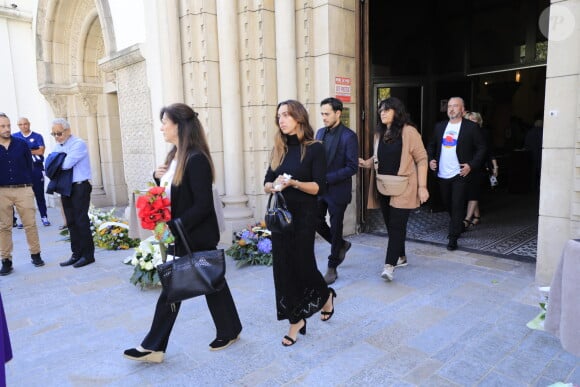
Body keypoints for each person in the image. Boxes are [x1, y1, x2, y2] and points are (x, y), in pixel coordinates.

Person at [124, 103, 242, 362]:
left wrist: (173, 227)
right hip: (180, 233)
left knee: (177, 286)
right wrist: (158, 180)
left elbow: (202, 204)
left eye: (165, 122)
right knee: (212, 281)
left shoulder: (196, 158)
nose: (162, 127)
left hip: (193, 233)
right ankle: (230, 329)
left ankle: (154, 346)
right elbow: (172, 195)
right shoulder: (173, 157)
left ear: (179, 125)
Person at [263, 100, 336, 347]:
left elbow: (318, 187)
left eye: (286, 115)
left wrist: (293, 183)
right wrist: (274, 186)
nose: (281, 120)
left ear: (299, 118)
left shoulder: (315, 148)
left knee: (303, 266)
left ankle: (326, 296)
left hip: (304, 217)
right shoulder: (278, 148)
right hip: (281, 218)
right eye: (279, 116)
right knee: (283, 268)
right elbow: (266, 182)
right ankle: (296, 320)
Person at [358, 97, 429, 281]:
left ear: (397, 112)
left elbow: (422, 159)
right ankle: (401, 256)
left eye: (386, 110)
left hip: (404, 186)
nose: (382, 113)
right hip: (383, 185)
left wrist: (422, 187)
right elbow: (378, 158)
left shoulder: (409, 132)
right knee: (391, 225)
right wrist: (366, 163)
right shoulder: (379, 134)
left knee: (397, 226)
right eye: (380, 110)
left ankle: (389, 266)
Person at [427, 97, 486, 251]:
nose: (451, 109)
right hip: (442, 174)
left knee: (458, 204)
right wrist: (431, 159)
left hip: (460, 174)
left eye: (455, 106)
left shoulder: (471, 127)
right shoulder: (439, 127)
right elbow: (431, 145)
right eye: (449, 106)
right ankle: (458, 224)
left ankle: (453, 238)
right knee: (448, 203)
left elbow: (482, 148)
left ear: (462, 109)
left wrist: (471, 165)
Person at [314, 97, 358, 284]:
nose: (323, 117)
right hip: (319, 189)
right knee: (316, 221)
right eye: (322, 113)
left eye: (327, 113)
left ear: (338, 113)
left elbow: (352, 167)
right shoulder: (319, 133)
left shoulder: (349, 136)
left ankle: (332, 267)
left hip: (338, 190)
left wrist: (328, 178)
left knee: (337, 226)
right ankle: (341, 244)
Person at [0, 113, 45, 275]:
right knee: (4, 227)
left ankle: (36, 254)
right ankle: (6, 260)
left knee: (30, 224)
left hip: (23, 189)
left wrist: (27, 185)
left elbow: (29, 166)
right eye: (2, 126)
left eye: (8, 125)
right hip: (1, 192)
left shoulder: (21, 144)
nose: (6, 129)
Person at [46, 118, 95, 268]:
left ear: (68, 131)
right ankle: (76, 254)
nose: (56, 137)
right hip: (66, 186)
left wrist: (57, 159)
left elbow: (66, 164)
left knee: (81, 221)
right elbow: (48, 164)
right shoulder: (58, 146)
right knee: (71, 222)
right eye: (53, 134)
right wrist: (58, 158)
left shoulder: (78, 144)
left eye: (59, 133)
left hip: (80, 186)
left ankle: (88, 255)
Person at [13, 117, 51, 226]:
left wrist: (25, 151)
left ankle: (44, 217)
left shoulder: (37, 136)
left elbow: (41, 151)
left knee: (39, 194)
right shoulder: (15, 137)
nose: (23, 126)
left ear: (29, 124)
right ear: (18, 126)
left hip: (36, 169)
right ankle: (24, 220)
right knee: (22, 197)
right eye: (20, 124)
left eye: (25, 124)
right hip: (21, 171)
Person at [463, 111, 498, 227]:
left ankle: (467, 219)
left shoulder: (484, 133)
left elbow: (489, 151)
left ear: (479, 121)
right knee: (471, 192)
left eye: (475, 119)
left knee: (474, 191)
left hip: (480, 166)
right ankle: (477, 216)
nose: (472, 122)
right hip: (466, 166)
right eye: (470, 119)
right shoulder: (463, 133)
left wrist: (495, 166)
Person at [524, 118, 543, 193]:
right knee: (539, 173)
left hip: (530, 155)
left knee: (532, 172)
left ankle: (531, 188)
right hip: (539, 155)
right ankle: (538, 187)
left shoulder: (529, 132)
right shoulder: (542, 132)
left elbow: (526, 144)